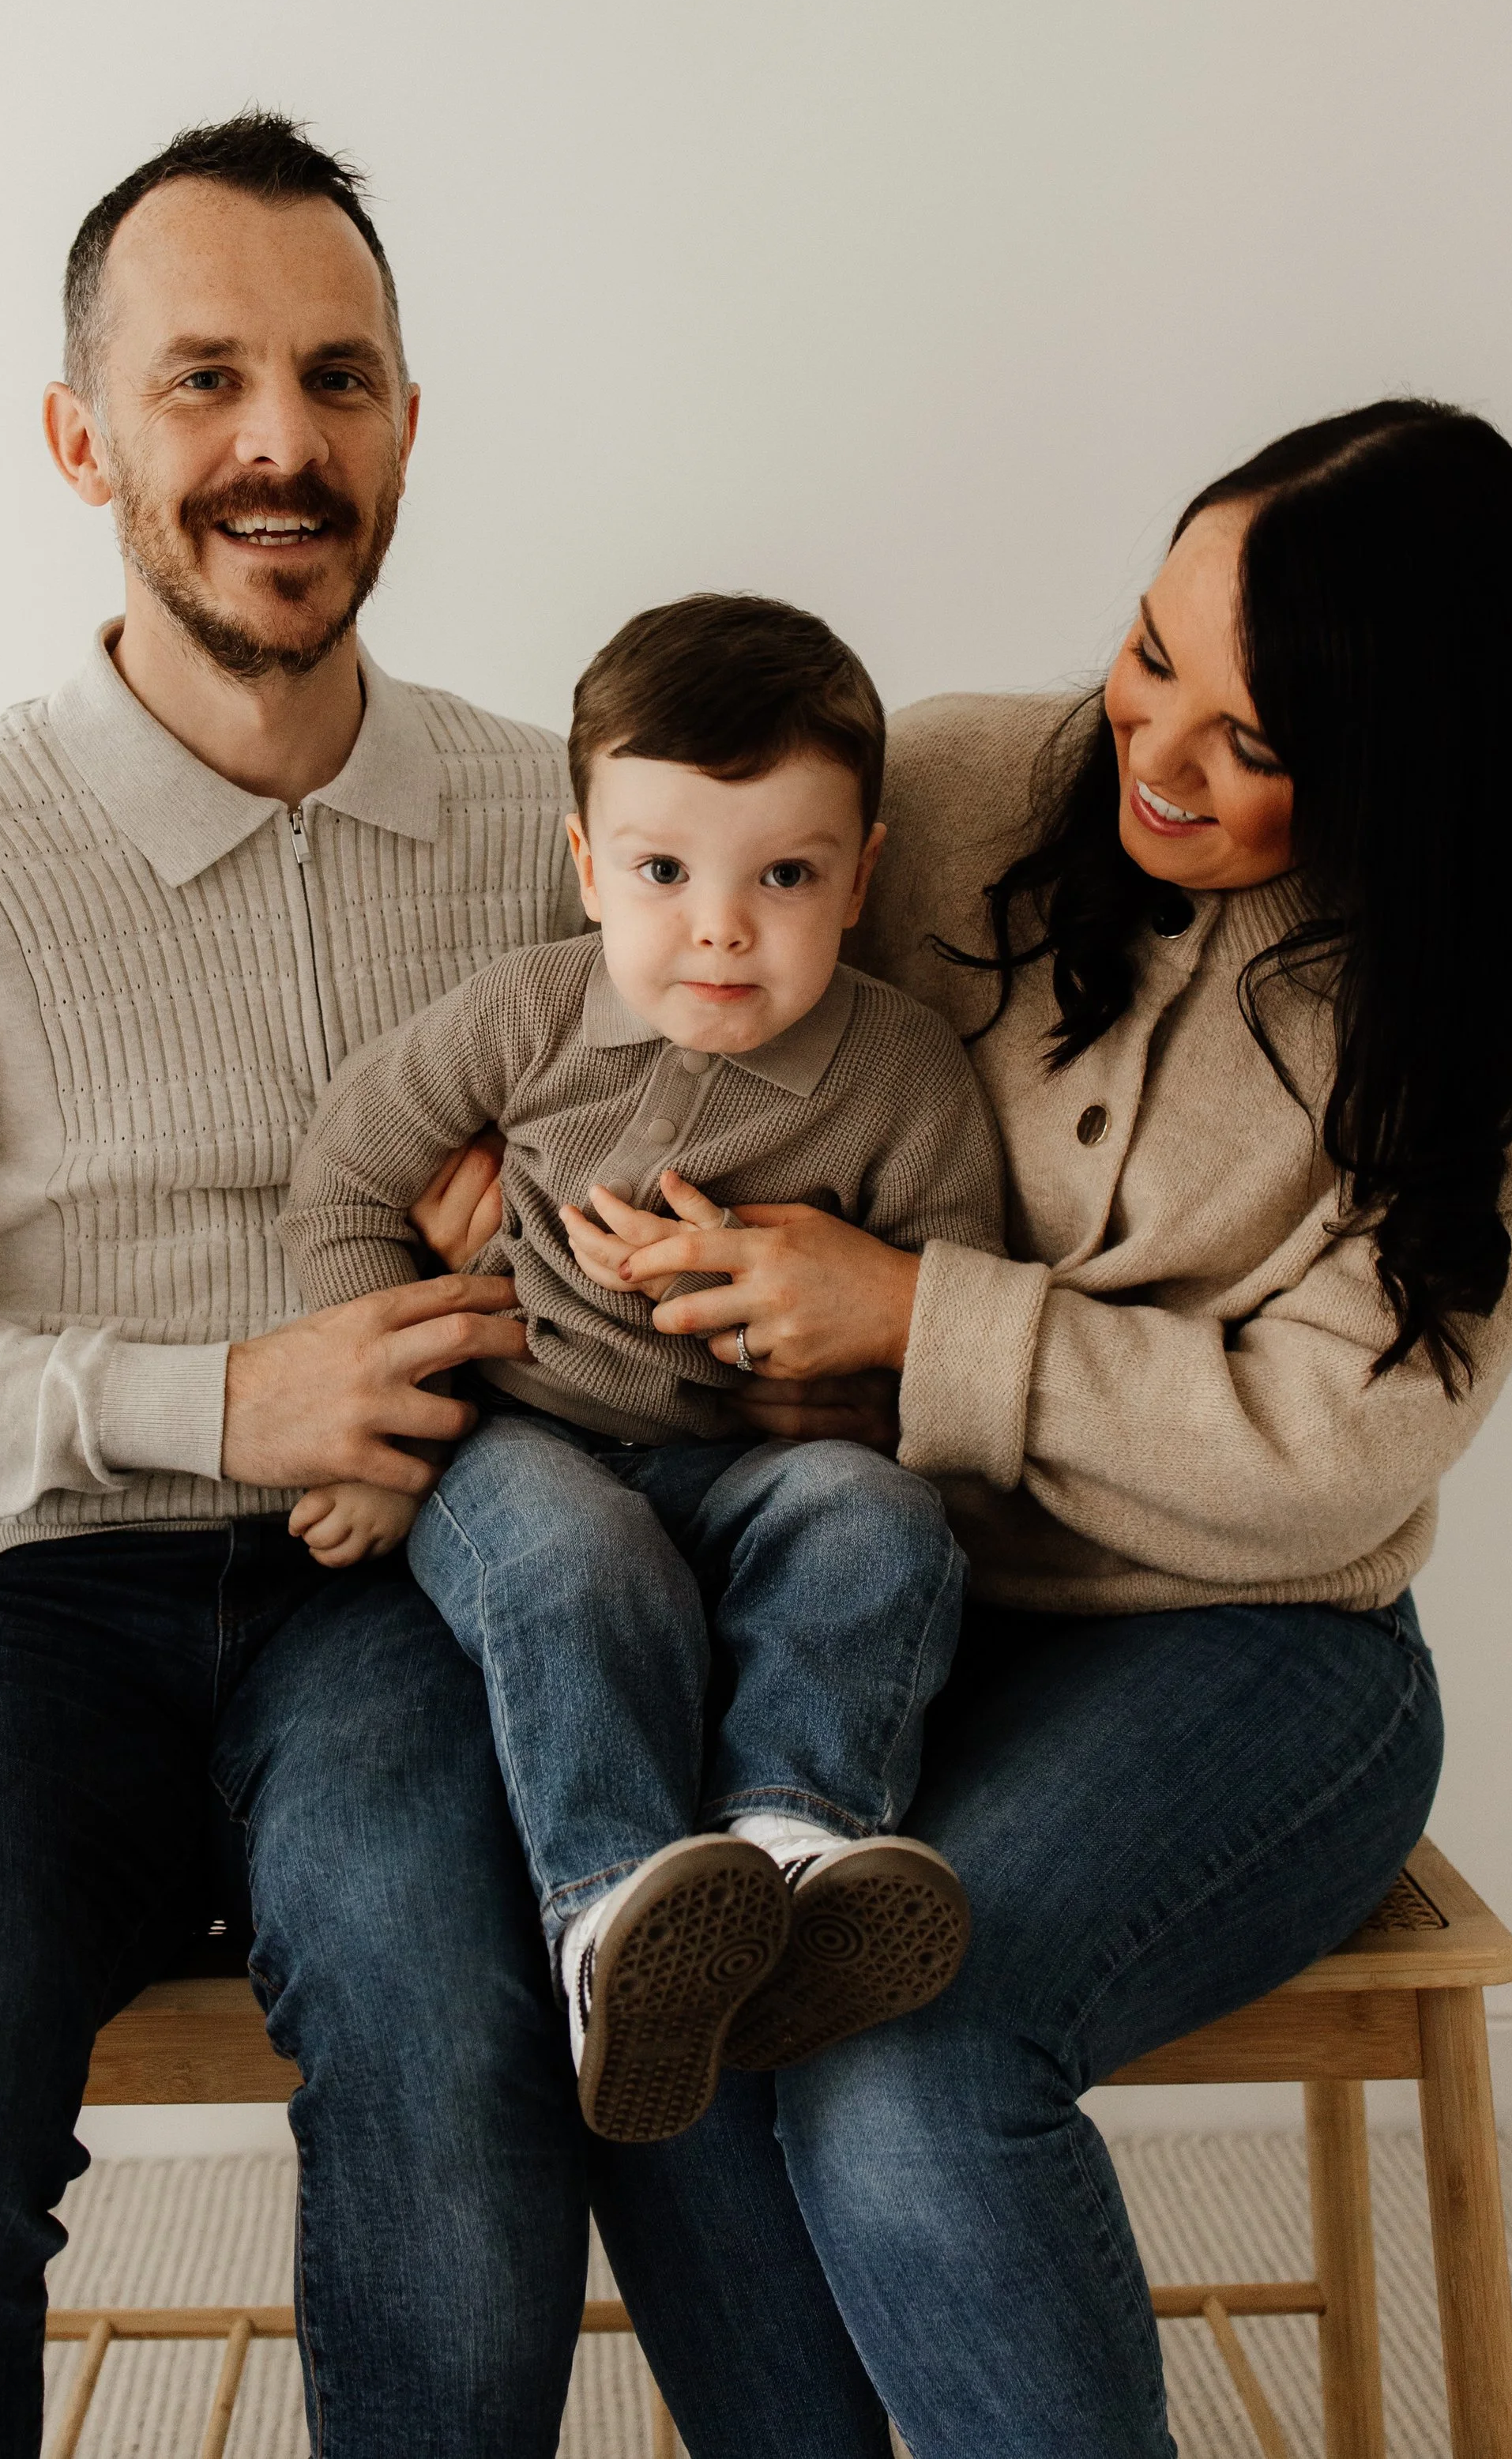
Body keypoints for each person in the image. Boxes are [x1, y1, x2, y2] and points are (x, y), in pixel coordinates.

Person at [481, 402, 1512, 2456]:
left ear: (1406, 767)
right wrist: (493, 1172)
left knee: (905, 2053)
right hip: (891, 1608)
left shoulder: (1491, 995)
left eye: (1253, 741)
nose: (1152, 751)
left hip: (1258, 1648)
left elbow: (1334, 1455)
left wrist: (920, 1323)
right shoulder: (948, 790)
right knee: (670, 2004)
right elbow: (645, 979)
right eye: (1148, 652)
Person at [0, 114, 599, 2459]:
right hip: (19, 1613)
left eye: (336, 376)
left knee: (461, 2062)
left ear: (408, 423)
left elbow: (735, 1156)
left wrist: (562, 1222)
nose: (281, 441)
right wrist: (213, 1398)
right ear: (80, 437)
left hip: (390, 1602)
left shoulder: (563, 831)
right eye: (204, 379)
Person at [280, 595, 992, 2143]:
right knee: (571, 1551)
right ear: (588, 864)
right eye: (664, 872)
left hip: (751, 1464)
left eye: (783, 876)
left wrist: (855, 1392)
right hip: (521, 1436)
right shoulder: (524, 1017)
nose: (719, 927)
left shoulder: (902, 1079)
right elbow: (343, 1177)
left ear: (860, 877)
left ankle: (792, 1848)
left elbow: (949, 1327)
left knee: (878, 1524)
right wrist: (381, 1438)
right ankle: (613, 1928)